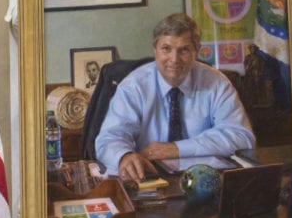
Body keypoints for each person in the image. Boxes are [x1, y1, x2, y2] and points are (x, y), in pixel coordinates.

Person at [95, 12, 255, 182]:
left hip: (205, 180)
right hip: (149, 178)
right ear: (155, 50)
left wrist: (176, 149)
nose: (174, 59)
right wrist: (124, 156)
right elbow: (110, 137)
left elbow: (241, 137)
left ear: (196, 51)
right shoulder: (133, 86)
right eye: (166, 49)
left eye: (184, 50)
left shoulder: (216, 83)